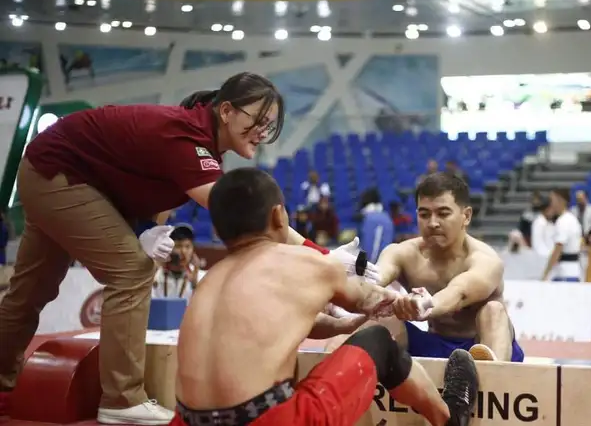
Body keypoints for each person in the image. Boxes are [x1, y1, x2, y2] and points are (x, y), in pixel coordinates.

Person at [0, 72, 377, 424]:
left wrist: (147, 229)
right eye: (257, 120)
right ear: (226, 111)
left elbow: (155, 194)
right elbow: (256, 218)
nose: (262, 131)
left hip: (48, 168)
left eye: (269, 124)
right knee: (131, 270)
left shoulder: (197, 141)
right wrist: (326, 256)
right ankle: (121, 400)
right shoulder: (187, 140)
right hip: (58, 173)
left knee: (32, 290)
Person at [171, 168, 478, 426]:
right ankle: (449, 418)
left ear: (216, 227)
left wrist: (342, 326)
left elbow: (280, 322)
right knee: (379, 341)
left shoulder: (210, 278)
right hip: (265, 421)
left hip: (185, 420)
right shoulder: (302, 262)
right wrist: (409, 302)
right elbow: (373, 299)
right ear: (280, 216)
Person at [342, 172, 524, 363]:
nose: (433, 223)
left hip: (482, 346)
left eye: (443, 214)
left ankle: (493, 383)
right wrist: (342, 282)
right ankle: (330, 376)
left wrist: (425, 305)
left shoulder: (485, 260)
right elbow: (376, 278)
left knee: (493, 311)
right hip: (434, 345)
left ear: (466, 216)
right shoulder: (403, 253)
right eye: (424, 214)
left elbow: (458, 292)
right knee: (381, 317)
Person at [541, 189, 583, 283]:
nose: (551, 204)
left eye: (552, 200)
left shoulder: (563, 222)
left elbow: (558, 249)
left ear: (561, 200)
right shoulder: (572, 219)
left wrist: (545, 274)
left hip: (565, 274)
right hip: (573, 271)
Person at [152, 225, 202, 300]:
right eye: (178, 246)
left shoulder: (201, 277)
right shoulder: (156, 276)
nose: (183, 251)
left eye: (187, 246)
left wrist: (195, 285)